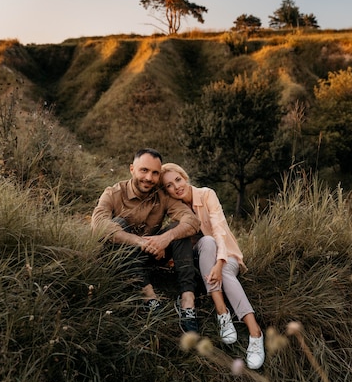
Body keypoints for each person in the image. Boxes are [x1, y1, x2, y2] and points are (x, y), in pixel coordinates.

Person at [160, 163, 265, 370]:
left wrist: (219, 263)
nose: (176, 187)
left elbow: (219, 231)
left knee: (219, 261)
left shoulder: (207, 194)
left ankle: (255, 333)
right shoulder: (175, 209)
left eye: (178, 180)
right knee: (206, 243)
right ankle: (222, 311)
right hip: (201, 262)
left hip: (227, 254)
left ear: (185, 177)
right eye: (170, 186)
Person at [91, 148, 201, 332]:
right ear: (132, 169)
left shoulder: (162, 196)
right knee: (118, 223)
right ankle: (149, 297)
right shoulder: (113, 193)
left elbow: (192, 221)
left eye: (155, 173)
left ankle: (187, 301)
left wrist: (165, 238)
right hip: (121, 260)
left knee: (178, 230)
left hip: (151, 257)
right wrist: (140, 242)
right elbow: (99, 226)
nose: (149, 178)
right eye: (144, 170)